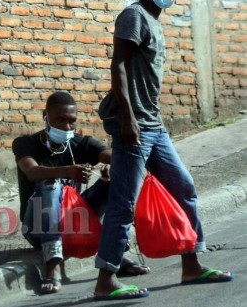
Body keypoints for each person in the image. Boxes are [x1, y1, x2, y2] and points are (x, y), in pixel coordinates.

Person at [94, 0, 234, 300]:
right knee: (124, 203)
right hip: (136, 127)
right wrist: (128, 120)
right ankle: (105, 280)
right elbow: (119, 67)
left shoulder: (153, 20)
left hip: (154, 125)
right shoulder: (133, 16)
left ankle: (191, 264)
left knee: (183, 187)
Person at [12, 91, 150, 294]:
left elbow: (111, 156)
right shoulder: (25, 143)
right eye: (60, 119)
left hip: (75, 223)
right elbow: (32, 172)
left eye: (71, 121)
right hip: (38, 228)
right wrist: (67, 171)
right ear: (45, 116)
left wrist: (116, 167)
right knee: (50, 183)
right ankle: (53, 263)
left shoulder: (81, 143)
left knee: (115, 182)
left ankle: (114, 254)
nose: (67, 126)